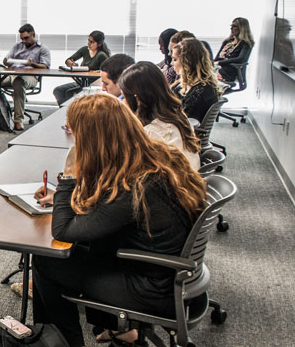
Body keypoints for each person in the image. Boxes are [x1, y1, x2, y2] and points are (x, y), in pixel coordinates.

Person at [31, 94, 207, 347]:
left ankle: (63, 342)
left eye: (77, 133)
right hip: (170, 272)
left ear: (94, 138)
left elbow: (63, 230)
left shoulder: (135, 186)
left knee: (48, 260)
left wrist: (68, 177)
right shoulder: (152, 157)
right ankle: (119, 331)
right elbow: (105, 209)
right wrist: (62, 196)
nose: (75, 140)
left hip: (151, 288)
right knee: (86, 247)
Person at [119, 62, 201, 170]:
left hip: (175, 184)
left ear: (137, 100)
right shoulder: (175, 115)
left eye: (124, 98)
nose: (123, 103)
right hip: (190, 180)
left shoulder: (151, 133)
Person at [0, 24, 51, 130]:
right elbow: (6, 60)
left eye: (26, 38)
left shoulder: (42, 49)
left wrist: (32, 64)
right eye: (22, 38)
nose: (24, 41)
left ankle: (18, 120)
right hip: (12, 74)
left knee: (18, 81)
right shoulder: (17, 46)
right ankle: (2, 103)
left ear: (33, 34)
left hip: (30, 76)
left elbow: (45, 67)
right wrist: (6, 61)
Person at [53, 30, 111, 105]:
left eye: (92, 42)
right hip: (80, 82)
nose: (89, 43)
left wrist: (95, 72)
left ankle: (71, 113)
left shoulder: (101, 55)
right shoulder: (85, 50)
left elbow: (106, 72)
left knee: (69, 93)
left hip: (91, 85)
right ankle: (65, 112)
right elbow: (68, 60)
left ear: (99, 44)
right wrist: (71, 63)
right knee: (58, 90)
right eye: (88, 40)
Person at [173, 38, 219, 122]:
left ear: (186, 62)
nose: (172, 63)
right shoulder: (191, 85)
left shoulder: (201, 92)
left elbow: (183, 121)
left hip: (183, 132)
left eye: (175, 59)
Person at [213, 17, 254, 83]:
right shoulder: (227, 41)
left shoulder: (245, 43)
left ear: (242, 28)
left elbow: (240, 59)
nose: (231, 28)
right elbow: (217, 58)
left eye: (234, 26)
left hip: (229, 71)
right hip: (218, 68)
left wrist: (219, 63)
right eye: (231, 26)